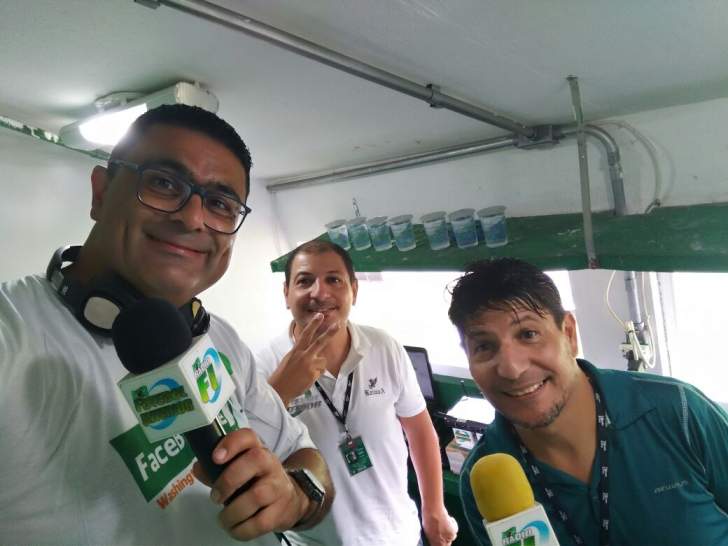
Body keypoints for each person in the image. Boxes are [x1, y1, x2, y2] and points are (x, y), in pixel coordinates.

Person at [0, 105, 334, 546]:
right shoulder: (12, 335)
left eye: (220, 204)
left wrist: (297, 495)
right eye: (163, 183)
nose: (192, 218)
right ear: (101, 193)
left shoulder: (220, 339)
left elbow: (306, 458)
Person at [448, 257, 728, 546]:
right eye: (484, 346)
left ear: (569, 334)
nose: (512, 369)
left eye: (528, 334)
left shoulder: (679, 411)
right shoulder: (482, 479)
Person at [256, 240, 458, 546]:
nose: (320, 293)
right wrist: (280, 392)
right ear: (286, 293)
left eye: (333, 280)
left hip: (400, 536)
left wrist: (434, 510)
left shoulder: (384, 346)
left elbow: (419, 429)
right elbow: (251, 456)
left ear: (354, 290)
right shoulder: (263, 366)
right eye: (305, 281)